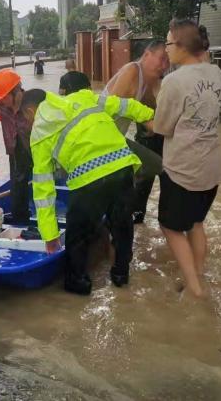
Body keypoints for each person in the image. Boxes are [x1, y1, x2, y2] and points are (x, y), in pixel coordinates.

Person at [27, 86, 154, 295]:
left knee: (77, 235)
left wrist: (50, 235)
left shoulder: (39, 132)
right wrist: (149, 117)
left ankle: (78, 287)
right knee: (122, 225)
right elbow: (124, 104)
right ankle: (121, 277)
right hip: (122, 165)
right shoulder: (82, 97)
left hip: (88, 178)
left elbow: (43, 190)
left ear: (30, 112)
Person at [154, 20, 221, 298]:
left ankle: (195, 289)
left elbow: (163, 127)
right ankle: (197, 276)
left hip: (183, 169)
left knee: (171, 227)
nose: (167, 50)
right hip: (211, 167)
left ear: (183, 46)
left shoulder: (174, 81)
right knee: (196, 223)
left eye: (169, 43)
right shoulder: (218, 74)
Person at [102, 40, 169, 224]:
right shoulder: (132, 70)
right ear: (147, 54)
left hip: (115, 141)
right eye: (161, 59)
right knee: (146, 169)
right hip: (102, 141)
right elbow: (111, 109)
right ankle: (120, 214)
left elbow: (153, 114)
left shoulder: (147, 82)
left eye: (168, 61)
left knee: (155, 166)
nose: (164, 65)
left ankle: (130, 214)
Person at [0, 69, 31, 223]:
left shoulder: (32, 103)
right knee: (17, 187)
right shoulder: (0, 104)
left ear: (16, 92)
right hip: (15, 149)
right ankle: (21, 220)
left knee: (42, 182)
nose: (1, 101)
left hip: (35, 148)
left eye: (4, 97)